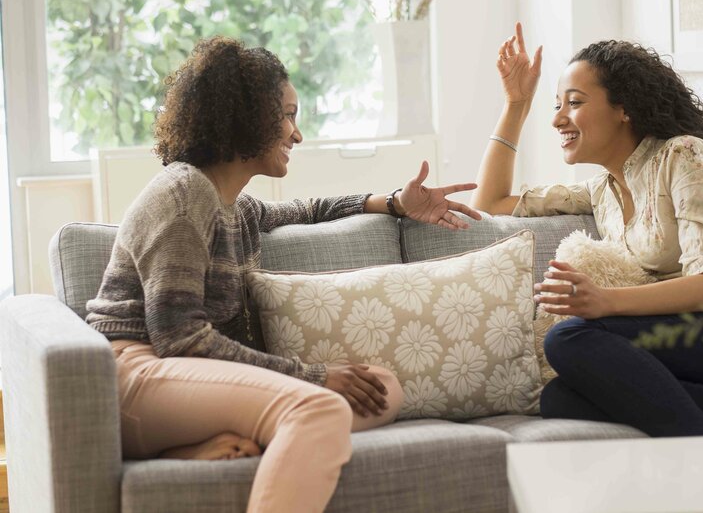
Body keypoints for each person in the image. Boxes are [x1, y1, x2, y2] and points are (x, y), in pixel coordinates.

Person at [86, 36, 481, 513]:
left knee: (382, 389)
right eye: (288, 116)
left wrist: (397, 203)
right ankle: (196, 440)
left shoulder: (236, 207)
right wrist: (314, 376)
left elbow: (311, 209)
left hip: (182, 380)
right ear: (246, 116)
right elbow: (179, 337)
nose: (297, 135)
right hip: (136, 376)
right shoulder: (184, 194)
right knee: (320, 408)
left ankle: (196, 446)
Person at [471, 23, 703, 437]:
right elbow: (488, 204)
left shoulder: (684, 155)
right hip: (687, 336)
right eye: (557, 105)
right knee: (559, 398)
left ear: (623, 108)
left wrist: (605, 301)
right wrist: (516, 104)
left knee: (567, 339)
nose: (557, 119)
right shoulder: (602, 191)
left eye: (574, 102)